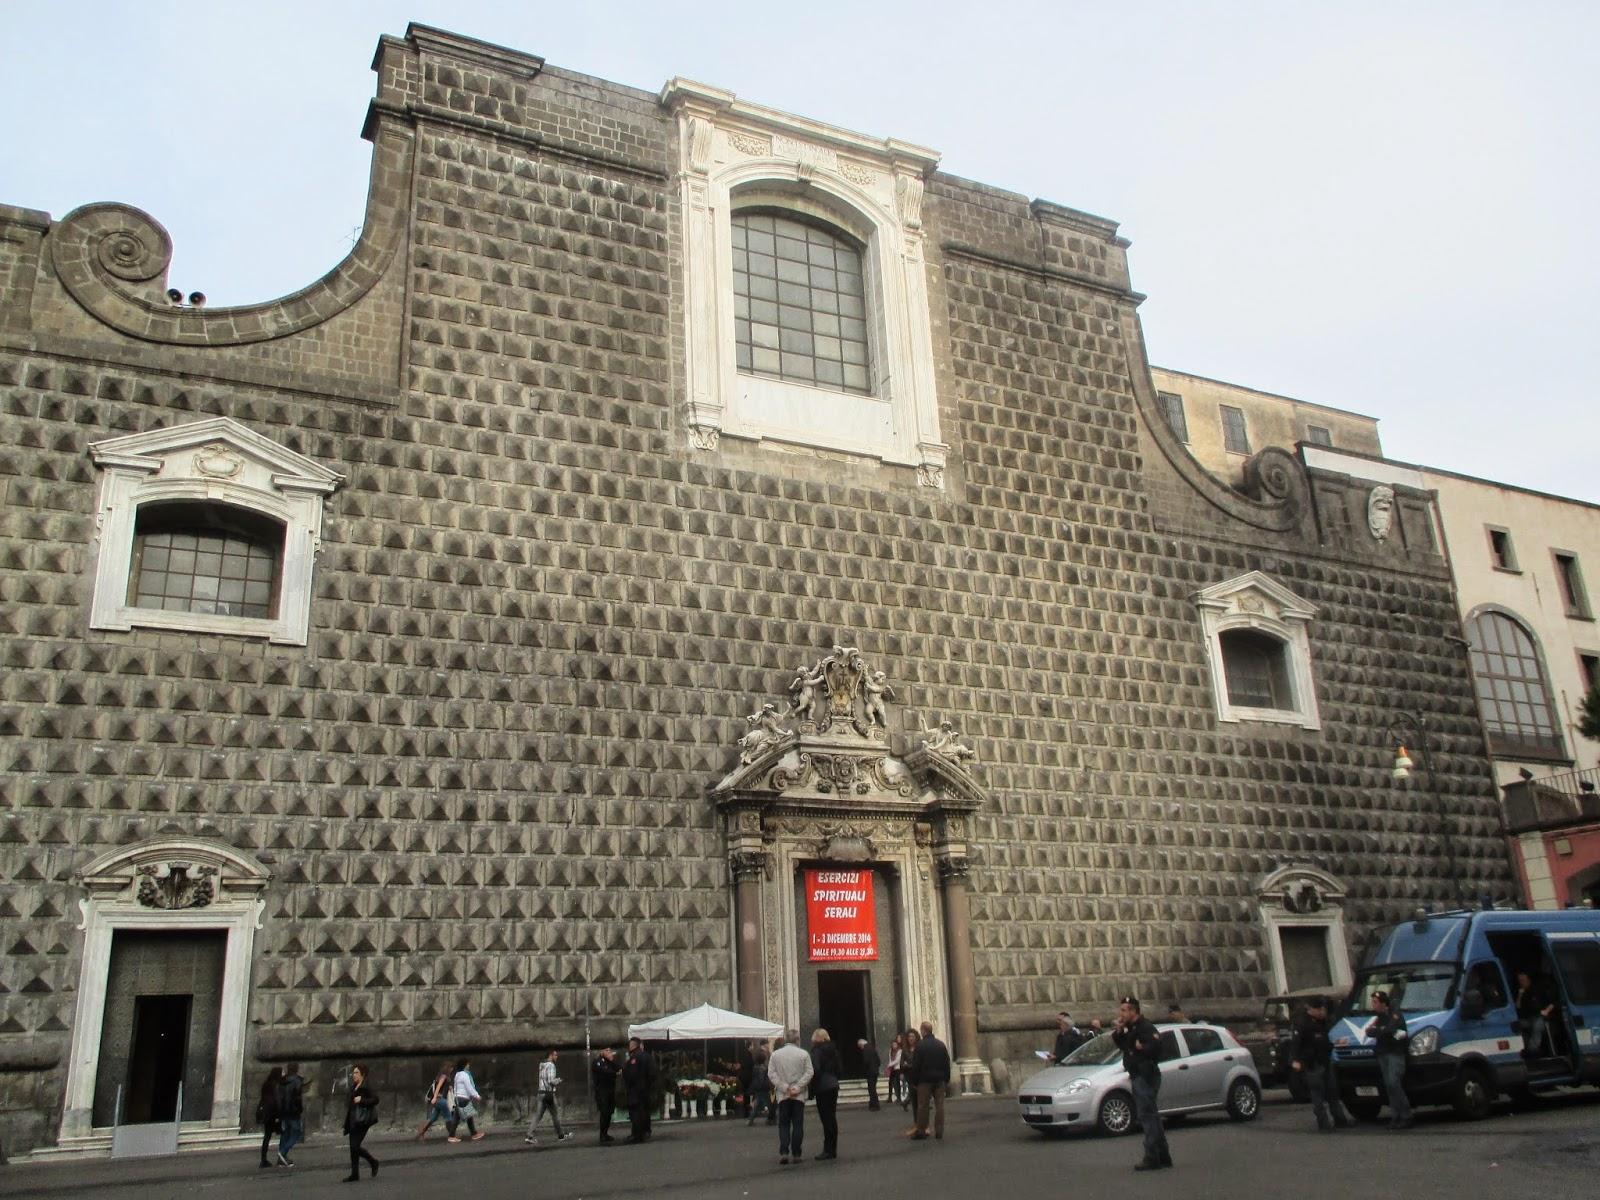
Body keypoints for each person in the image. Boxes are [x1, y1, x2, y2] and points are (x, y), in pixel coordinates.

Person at [1112, 995, 1170, 1171]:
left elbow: (1157, 1046)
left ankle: (1152, 1156)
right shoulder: (1131, 1028)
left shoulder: (1145, 1027)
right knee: (1152, 1115)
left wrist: (1142, 1048)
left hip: (1145, 1075)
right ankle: (1163, 1155)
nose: (1121, 1014)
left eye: (1124, 1010)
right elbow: (1123, 1045)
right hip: (1137, 1074)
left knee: (1147, 1115)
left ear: (1133, 1011)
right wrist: (1119, 1031)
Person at [1289, 996, 1352, 1133]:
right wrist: (1295, 1060)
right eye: (1319, 1009)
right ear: (1311, 1009)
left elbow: (1324, 1041)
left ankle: (1340, 1119)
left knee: (1332, 1092)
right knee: (1317, 1094)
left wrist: (1335, 1043)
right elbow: (1296, 1043)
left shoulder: (1322, 1022)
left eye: (1322, 1009)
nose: (1322, 1011)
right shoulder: (1303, 1023)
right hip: (1312, 1063)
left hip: (1325, 1060)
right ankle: (1323, 1123)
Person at [1364, 990, 1412, 1129]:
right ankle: (1396, 1116)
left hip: (1395, 1053)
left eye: (1375, 1002)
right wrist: (1381, 1030)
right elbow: (1369, 1031)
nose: (1373, 1005)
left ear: (1383, 1003)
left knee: (1393, 1083)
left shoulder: (1394, 1014)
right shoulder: (1378, 1017)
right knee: (1389, 1086)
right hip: (1383, 1053)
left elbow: (1391, 1029)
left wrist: (1380, 1031)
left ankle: (1406, 1115)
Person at [768, 1028, 814, 1166]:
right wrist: (797, 1087)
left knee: (784, 1124)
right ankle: (796, 1153)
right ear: (797, 1039)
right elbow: (809, 1072)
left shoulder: (775, 1055)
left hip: (783, 1095)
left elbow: (771, 1074)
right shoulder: (804, 1054)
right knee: (798, 1124)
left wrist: (784, 1087)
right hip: (798, 1095)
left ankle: (784, 1151)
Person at [909, 1021, 950, 1141]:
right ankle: (939, 1131)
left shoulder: (920, 1046)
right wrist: (946, 1079)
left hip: (925, 1080)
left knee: (923, 1106)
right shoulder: (941, 1045)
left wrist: (914, 1081)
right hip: (939, 1080)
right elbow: (946, 1063)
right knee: (940, 1106)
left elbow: (916, 1065)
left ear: (923, 1031)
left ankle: (921, 1131)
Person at [526, 1048, 572, 1145]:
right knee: (555, 1115)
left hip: (540, 1093)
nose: (557, 1057)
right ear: (550, 1055)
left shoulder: (542, 1065)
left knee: (538, 1116)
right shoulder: (551, 1065)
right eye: (555, 1055)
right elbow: (551, 1081)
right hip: (548, 1094)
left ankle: (529, 1135)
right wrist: (558, 1080)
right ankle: (561, 1135)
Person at [344, 1063, 381, 1182]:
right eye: (353, 1073)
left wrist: (362, 1100)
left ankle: (373, 1162)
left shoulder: (367, 1086)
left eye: (356, 1073)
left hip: (363, 1120)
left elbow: (375, 1099)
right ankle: (355, 1174)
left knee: (355, 1146)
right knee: (353, 1148)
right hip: (352, 1119)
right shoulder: (353, 1086)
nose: (354, 1075)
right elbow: (349, 1102)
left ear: (362, 1075)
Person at [810, 1028, 842, 1160]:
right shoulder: (834, 1050)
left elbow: (815, 1069)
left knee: (825, 1118)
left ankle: (827, 1149)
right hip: (833, 1084)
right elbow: (839, 1068)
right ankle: (833, 1148)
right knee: (832, 1117)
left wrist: (812, 1087)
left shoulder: (816, 1051)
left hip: (822, 1086)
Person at [622, 1036, 657, 1143]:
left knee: (636, 1113)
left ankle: (636, 1134)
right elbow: (653, 1073)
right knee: (644, 1112)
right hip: (645, 1089)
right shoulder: (647, 1056)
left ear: (633, 1046)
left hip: (635, 1090)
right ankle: (644, 1131)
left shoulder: (634, 1058)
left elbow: (630, 1075)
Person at [1515, 971, 1555, 1058]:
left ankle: (1533, 1050)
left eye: (1523, 980)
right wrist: (1520, 995)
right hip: (1527, 1018)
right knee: (1516, 1025)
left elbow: (1552, 1003)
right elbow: (1518, 1007)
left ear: (1528, 980)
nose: (1521, 982)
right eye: (1520, 981)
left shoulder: (1538, 990)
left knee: (1537, 1025)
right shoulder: (1521, 992)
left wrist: (1546, 1011)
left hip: (1541, 1017)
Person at [446, 1058, 486, 1143]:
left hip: (458, 1098)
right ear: (464, 1065)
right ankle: (454, 1136)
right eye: (467, 1064)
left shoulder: (457, 1075)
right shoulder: (464, 1075)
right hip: (463, 1098)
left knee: (465, 1117)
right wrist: (477, 1096)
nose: (469, 1065)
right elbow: (469, 1087)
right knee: (462, 1117)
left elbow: (455, 1087)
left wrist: (455, 1096)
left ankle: (472, 1134)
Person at [277, 1062, 306, 1166]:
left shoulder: (283, 1081)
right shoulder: (297, 1081)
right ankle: (283, 1152)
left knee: (285, 1133)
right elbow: (297, 1098)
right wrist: (300, 1109)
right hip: (293, 1111)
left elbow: (279, 1096)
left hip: (283, 1111)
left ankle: (281, 1159)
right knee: (296, 1133)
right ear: (296, 1069)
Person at [591, 1046, 620, 1143]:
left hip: (610, 1090)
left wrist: (612, 1060)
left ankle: (605, 1133)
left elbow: (619, 1068)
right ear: (601, 1051)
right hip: (602, 1091)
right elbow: (604, 1071)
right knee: (604, 1112)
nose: (609, 1052)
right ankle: (602, 1134)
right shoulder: (597, 1061)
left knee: (609, 1112)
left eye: (610, 1050)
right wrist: (615, 1073)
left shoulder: (609, 1062)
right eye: (606, 1050)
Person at [416, 1064, 452, 1140]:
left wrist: (448, 1087)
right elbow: (438, 1087)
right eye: (451, 1068)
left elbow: (440, 1087)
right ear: (448, 1069)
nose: (452, 1070)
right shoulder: (444, 1076)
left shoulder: (439, 1077)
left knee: (433, 1118)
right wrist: (435, 1097)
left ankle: (421, 1133)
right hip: (440, 1099)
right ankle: (452, 1136)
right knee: (448, 1117)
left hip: (438, 1100)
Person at [257, 1067, 283, 1169]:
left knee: (267, 1137)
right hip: (273, 1113)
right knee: (284, 1133)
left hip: (266, 1113)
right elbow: (277, 1100)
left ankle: (263, 1159)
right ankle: (282, 1156)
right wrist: (279, 1114)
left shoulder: (266, 1084)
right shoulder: (275, 1085)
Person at [746, 1043, 771, 1126]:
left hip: (758, 1088)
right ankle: (770, 1117)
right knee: (766, 1103)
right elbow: (761, 1079)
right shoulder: (763, 1068)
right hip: (763, 1087)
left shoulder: (755, 1067)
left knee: (757, 1104)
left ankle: (751, 1120)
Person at [899, 1029, 920, 1114]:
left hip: (918, 1073)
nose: (911, 1038)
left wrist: (908, 1064)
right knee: (912, 1090)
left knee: (917, 1091)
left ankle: (906, 1102)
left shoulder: (919, 1048)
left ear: (916, 1037)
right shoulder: (905, 1049)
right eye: (909, 1036)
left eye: (912, 1036)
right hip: (909, 1074)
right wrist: (902, 1072)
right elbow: (901, 1062)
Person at [858, 1037, 882, 1110]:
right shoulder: (872, 1048)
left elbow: (866, 1061)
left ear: (861, 1044)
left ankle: (875, 1105)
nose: (860, 1048)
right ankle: (872, 1104)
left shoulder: (866, 1049)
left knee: (871, 1089)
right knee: (873, 1088)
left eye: (860, 1047)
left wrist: (864, 1069)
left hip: (870, 1072)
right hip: (875, 1071)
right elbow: (878, 1061)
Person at [886, 1035, 904, 1106]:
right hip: (892, 1069)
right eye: (893, 1044)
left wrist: (889, 1065)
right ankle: (889, 1097)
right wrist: (889, 1066)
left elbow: (897, 1060)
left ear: (897, 1045)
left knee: (897, 1083)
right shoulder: (890, 1051)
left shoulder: (900, 1051)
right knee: (890, 1083)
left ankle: (899, 1098)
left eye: (895, 1044)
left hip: (897, 1068)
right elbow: (890, 1059)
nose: (894, 1046)